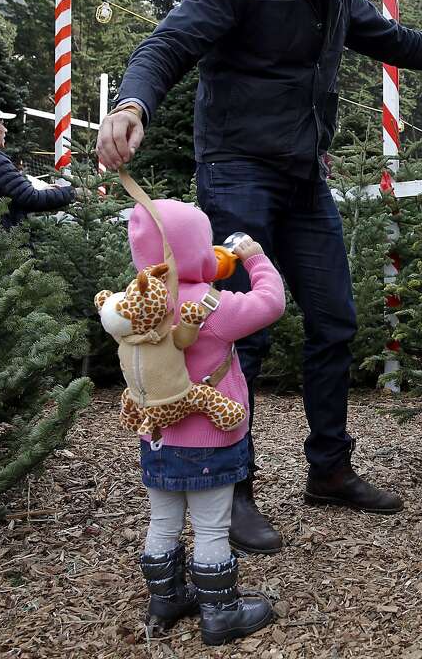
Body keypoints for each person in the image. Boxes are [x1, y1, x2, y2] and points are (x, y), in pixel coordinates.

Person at [97, 0, 422, 554]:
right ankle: (229, 488)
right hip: (237, 170)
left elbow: (394, 39)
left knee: (335, 319)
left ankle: (329, 469)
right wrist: (131, 105)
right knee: (241, 333)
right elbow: (168, 44)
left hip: (303, 179)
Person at [124, 198, 285, 644]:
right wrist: (253, 256)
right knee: (212, 526)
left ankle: (166, 598)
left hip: (155, 433)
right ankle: (220, 612)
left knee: (162, 522)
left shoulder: (135, 303)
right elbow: (271, 303)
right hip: (210, 437)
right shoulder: (211, 306)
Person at [0, 102, 78, 227]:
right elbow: (32, 199)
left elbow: (8, 196)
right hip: (1, 241)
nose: (5, 129)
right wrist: (74, 192)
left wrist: (39, 190)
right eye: (2, 122)